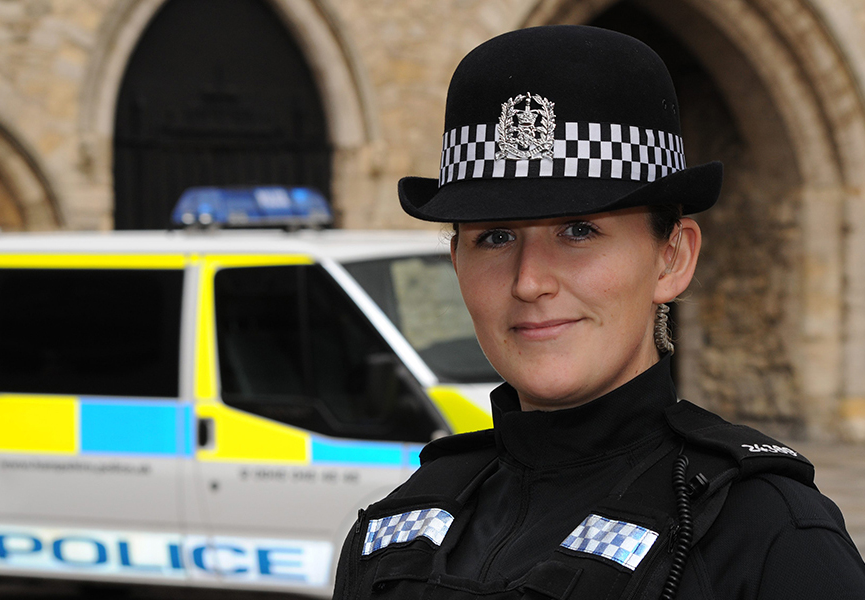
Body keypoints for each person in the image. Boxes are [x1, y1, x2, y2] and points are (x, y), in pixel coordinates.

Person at [332, 25, 865, 599]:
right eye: (495, 238)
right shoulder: (394, 532)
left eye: (579, 230)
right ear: (456, 260)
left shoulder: (766, 534)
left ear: (673, 258)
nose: (530, 281)